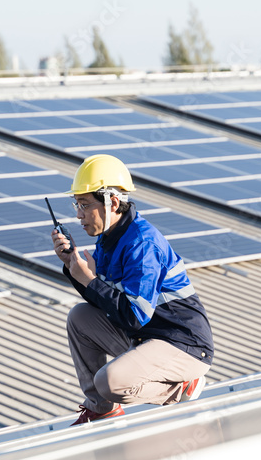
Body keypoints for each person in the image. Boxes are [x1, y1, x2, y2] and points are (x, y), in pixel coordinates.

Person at [51, 154, 214, 425]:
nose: (78, 215)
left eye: (83, 205)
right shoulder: (109, 238)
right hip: (147, 336)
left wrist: (90, 280)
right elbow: (105, 304)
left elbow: (132, 315)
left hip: (183, 344)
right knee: (79, 316)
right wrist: (73, 267)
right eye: (76, 204)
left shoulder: (142, 244)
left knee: (109, 381)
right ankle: (102, 409)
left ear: (112, 202)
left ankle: (182, 386)